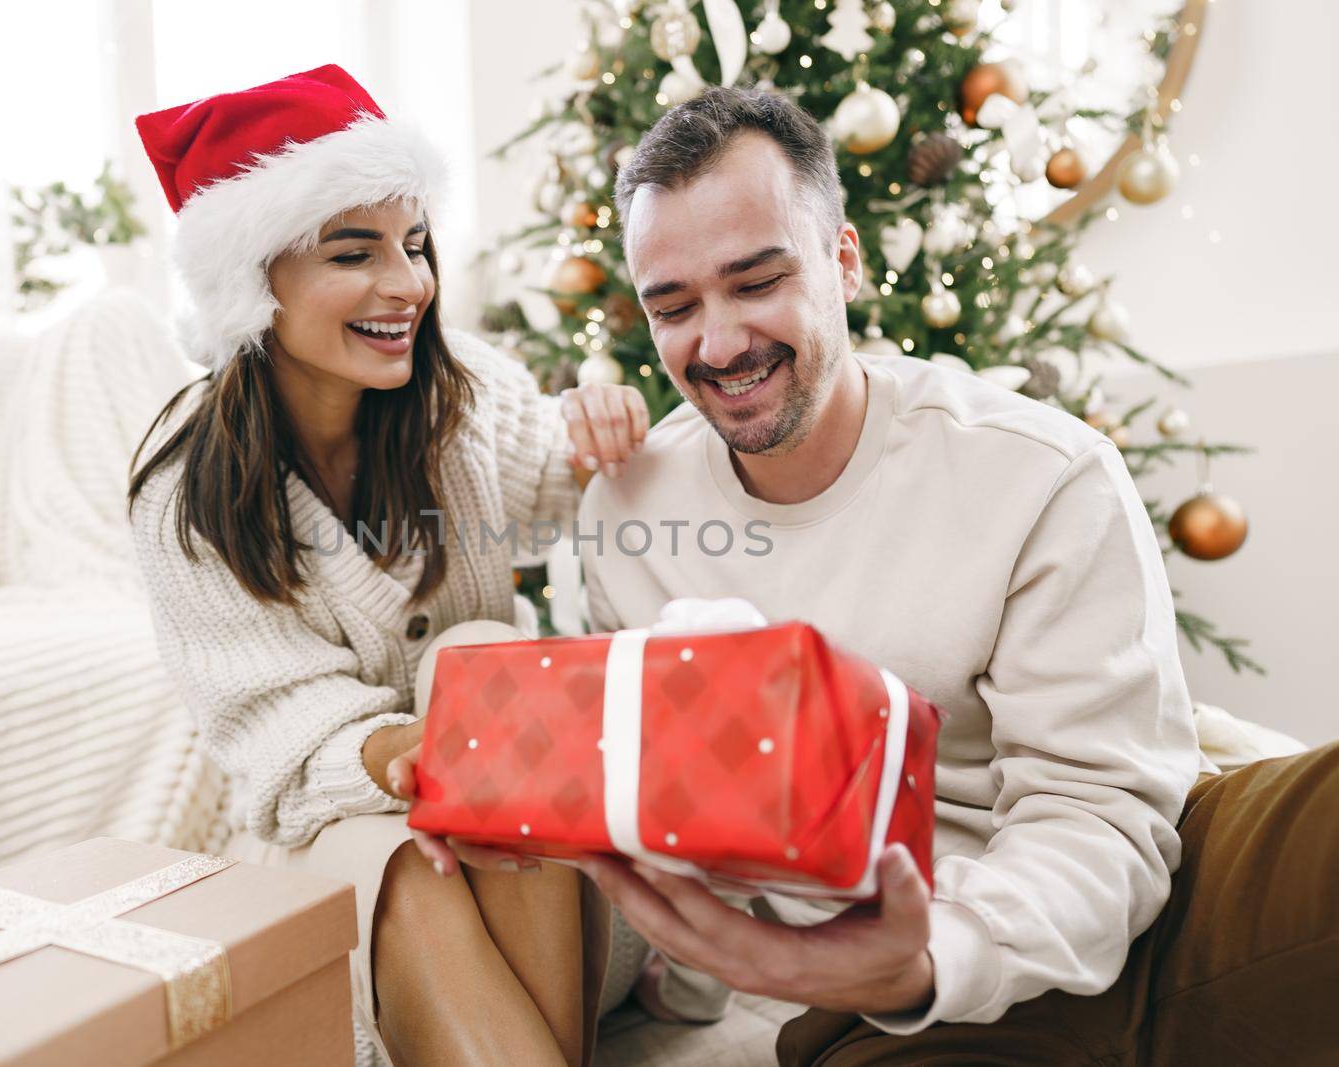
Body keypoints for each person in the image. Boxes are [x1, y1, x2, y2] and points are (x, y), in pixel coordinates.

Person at [567, 86, 1339, 1064]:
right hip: (885, 999)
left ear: (843, 260)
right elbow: (652, 803)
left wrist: (948, 945)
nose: (716, 344)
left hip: (1164, 909)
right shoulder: (630, 512)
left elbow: (1097, 814)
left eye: (756, 281)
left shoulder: (1034, 471)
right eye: (672, 305)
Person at [125, 66, 652, 1067]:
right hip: (343, 832)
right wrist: (400, 753)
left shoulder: (461, 403)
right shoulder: (186, 490)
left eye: (413, 245)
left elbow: (559, 470)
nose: (409, 282)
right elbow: (270, 730)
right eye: (353, 251)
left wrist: (602, 426)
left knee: (486, 659)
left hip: (528, 848)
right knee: (410, 851)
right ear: (252, 282)